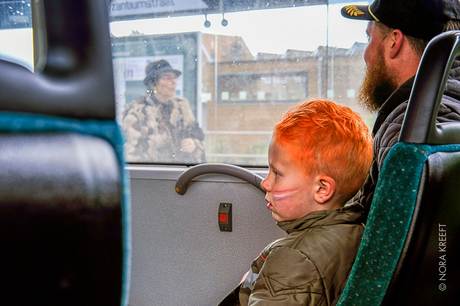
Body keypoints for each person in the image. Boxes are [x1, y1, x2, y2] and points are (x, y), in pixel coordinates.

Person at [218, 99, 373, 306]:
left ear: (322, 189)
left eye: (277, 173)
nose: (265, 183)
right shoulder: (357, 232)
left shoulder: (293, 258)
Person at [341, 0, 460, 219]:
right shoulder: (453, 103)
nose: (365, 54)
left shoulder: (408, 128)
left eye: (369, 37)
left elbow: (389, 244)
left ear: (394, 41)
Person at [122, 59, 205, 163]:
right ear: (153, 83)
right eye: (167, 78)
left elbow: (197, 136)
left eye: (175, 77)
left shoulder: (181, 105)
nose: (173, 81)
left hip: (181, 171)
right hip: (153, 173)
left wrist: (193, 144)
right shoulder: (138, 110)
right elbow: (130, 153)